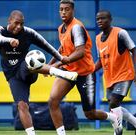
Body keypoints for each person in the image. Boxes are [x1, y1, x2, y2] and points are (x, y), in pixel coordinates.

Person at [0, 10, 78, 135]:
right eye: (16, 23)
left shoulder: (28, 32)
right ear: (9, 21)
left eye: (21, 24)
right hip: (13, 76)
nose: (19, 27)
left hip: (28, 71)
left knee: (30, 60)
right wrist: (9, 40)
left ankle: (62, 73)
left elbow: (46, 46)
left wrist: (61, 58)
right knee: (22, 105)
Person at [48, 1, 119, 135]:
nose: (63, 12)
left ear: (73, 11)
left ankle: (114, 118)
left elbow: (80, 52)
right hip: (68, 70)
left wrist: (59, 63)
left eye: (67, 9)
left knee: (90, 114)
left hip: (85, 74)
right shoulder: (61, 28)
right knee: (53, 101)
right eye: (61, 9)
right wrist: (51, 63)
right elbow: (62, 48)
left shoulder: (76, 27)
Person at [95, 10, 136, 135]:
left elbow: (134, 51)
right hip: (109, 77)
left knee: (114, 103)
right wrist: (89, 70)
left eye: (103, 18)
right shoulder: (98, 38)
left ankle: (117, 132)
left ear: (110, 19)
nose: (100, 21)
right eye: (98, 19)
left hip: (125, 74)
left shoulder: (121, 33)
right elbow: (101, 60)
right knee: (114, 107)